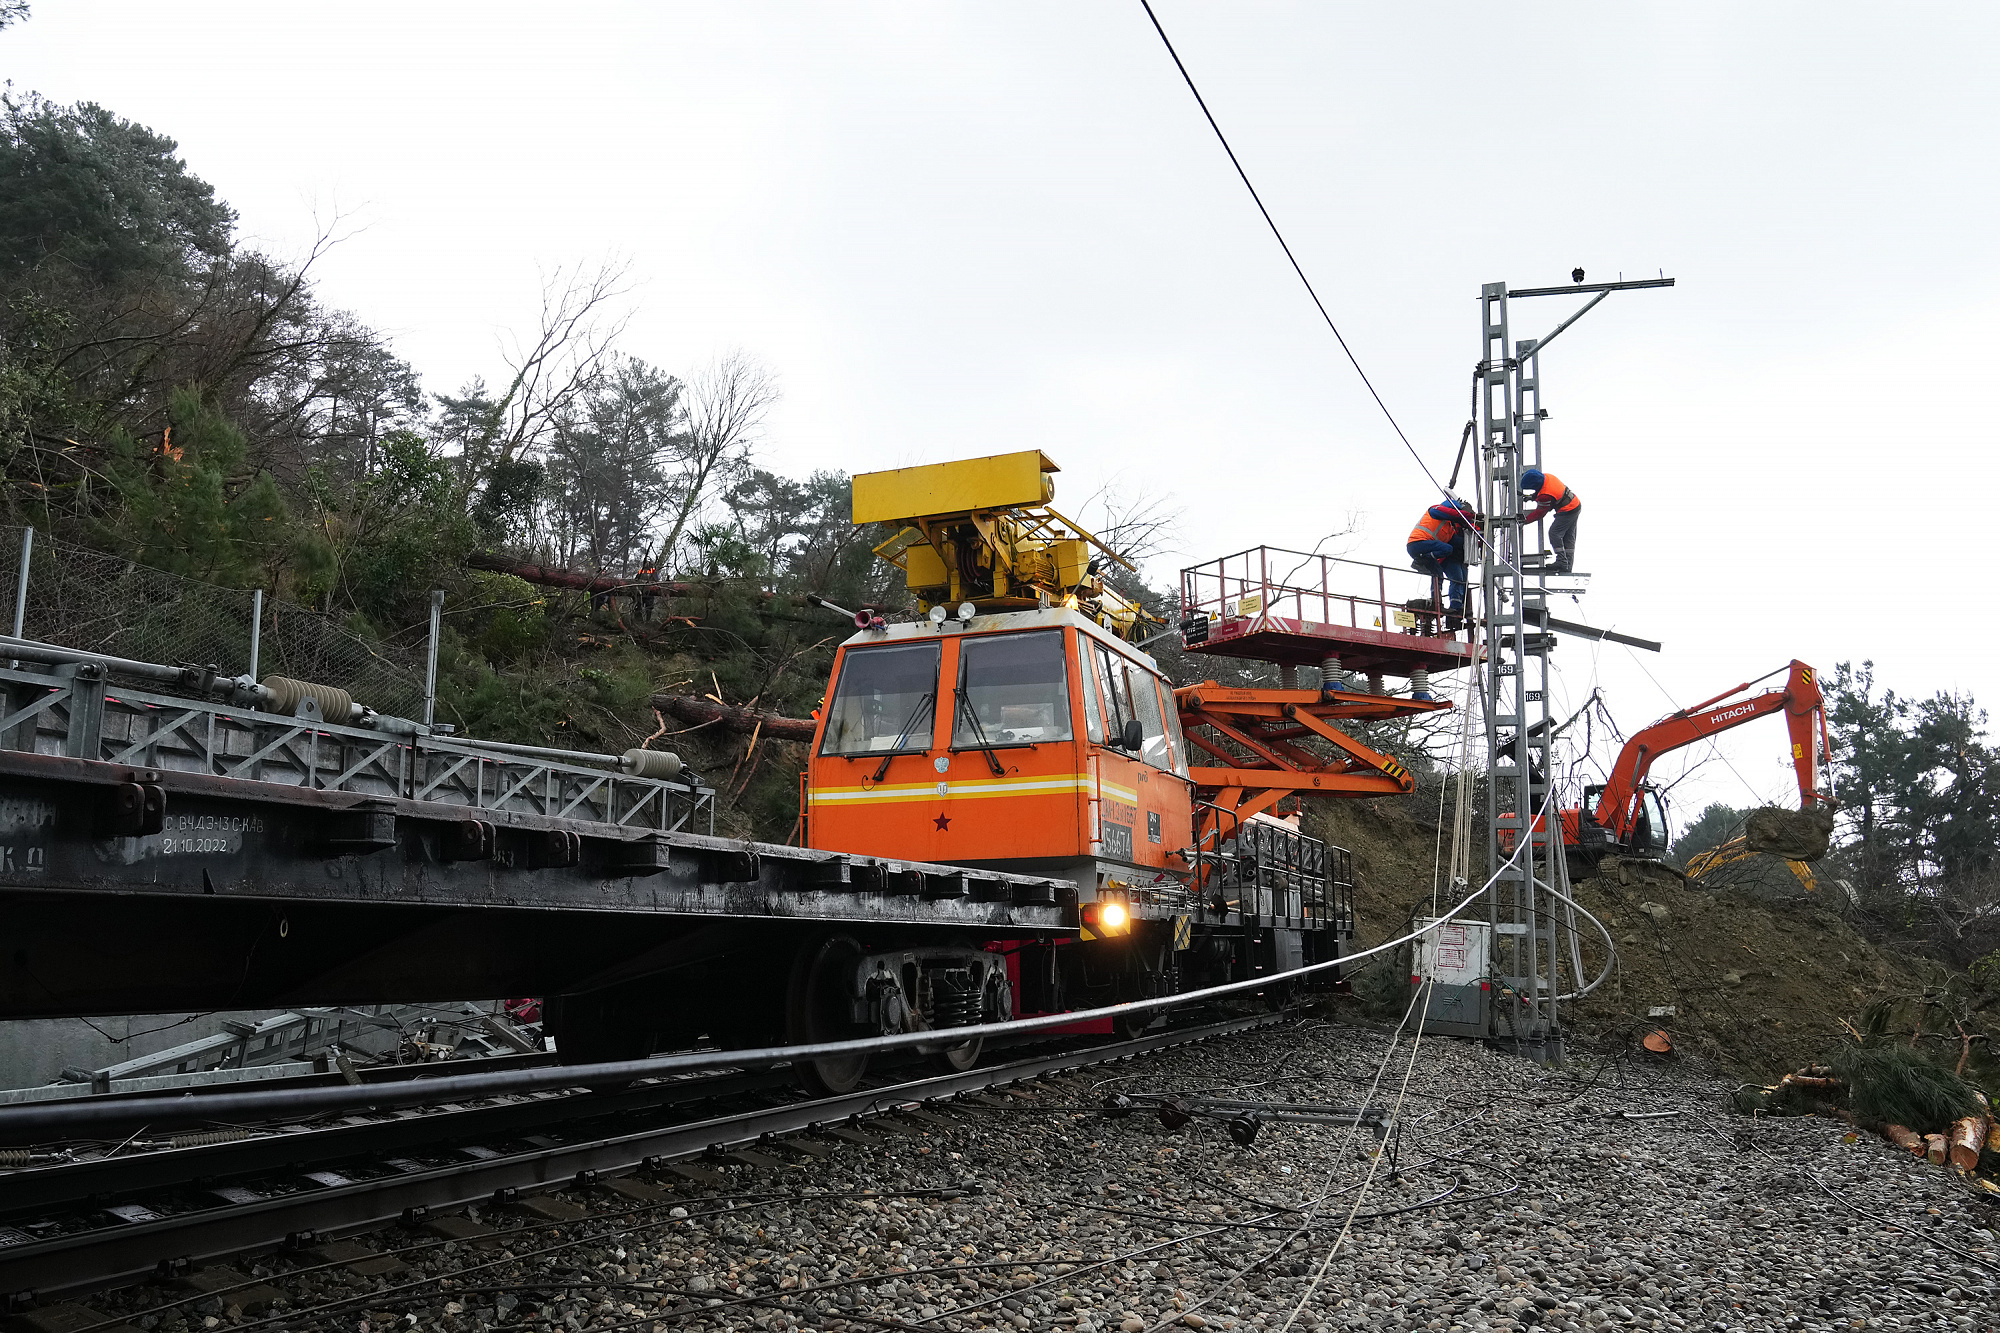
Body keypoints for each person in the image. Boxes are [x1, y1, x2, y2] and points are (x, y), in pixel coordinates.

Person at [1406, 496, 1478, 626]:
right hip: (1417, 544)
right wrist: (1469, 516)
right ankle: (1423, 559)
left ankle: (1437, 602)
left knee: (1438, 574)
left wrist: (1478, 536)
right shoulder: (1435, 510)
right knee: (1447, 549)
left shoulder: (1448, 528)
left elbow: (1458, 542)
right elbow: (1453, 514)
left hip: (1426, 549)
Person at [1519, 467, 1581, 574]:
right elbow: (1544, 491)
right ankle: (1567, 565)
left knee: (1554, 533)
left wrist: (1524, 520)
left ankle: (1562, 561)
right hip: (1575, 504)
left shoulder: (1545, 494)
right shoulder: (1547, 477)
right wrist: (1533, 497)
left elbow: (1540, 513)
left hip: (1567, 510)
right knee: (1568, 537)